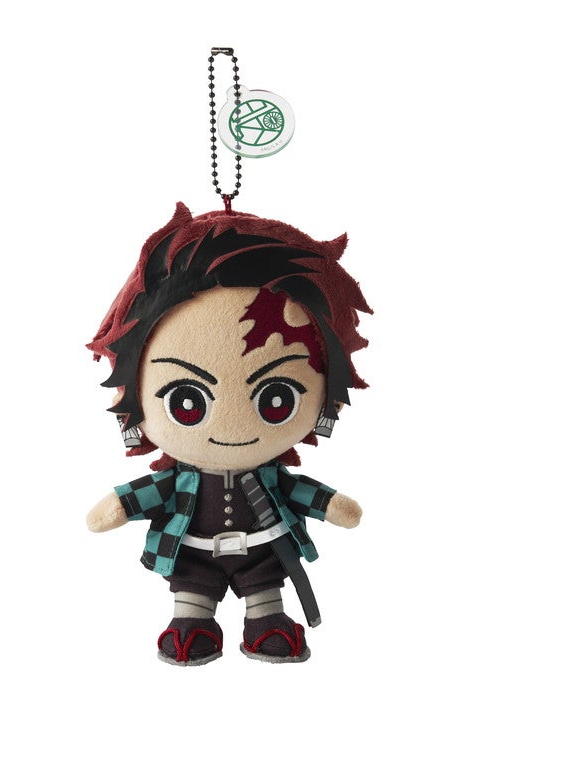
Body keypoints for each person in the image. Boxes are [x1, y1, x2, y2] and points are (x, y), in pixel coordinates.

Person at [86, 203, 371, 665]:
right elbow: (147, 493)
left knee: (266, 595)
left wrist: (331, 504)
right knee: (191, 597)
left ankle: (266, 622)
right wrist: (119, 505)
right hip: (194, 555)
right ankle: (192, 623)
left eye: (276, 399)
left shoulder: (271, 475)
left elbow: (301, 491)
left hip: (263, 552)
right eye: (187, 402)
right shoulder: (179, 479)